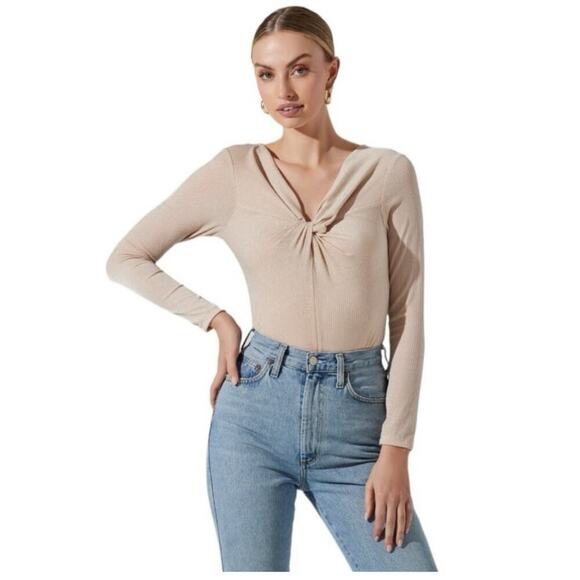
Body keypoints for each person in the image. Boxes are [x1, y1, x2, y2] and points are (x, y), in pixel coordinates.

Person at [106, 5, 438, 573]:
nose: (283, 90)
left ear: (331, 71)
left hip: (358, 424)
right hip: (254, 415)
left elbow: (407, 315)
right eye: (266, 74)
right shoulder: (235, 172)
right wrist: (216, 319)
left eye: (299, 69)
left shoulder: (386, 173)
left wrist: (397, 450)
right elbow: (127, 258)